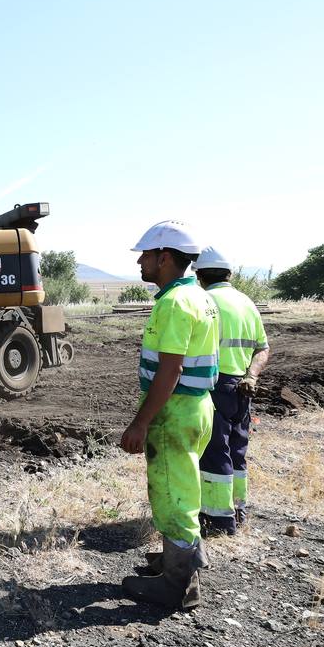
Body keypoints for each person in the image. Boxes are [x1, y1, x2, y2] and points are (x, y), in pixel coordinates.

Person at [120, 220, 219, 609]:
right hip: (198, 407)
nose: (140, 263)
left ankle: (178, 586)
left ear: (164, 258)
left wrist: (141, 422)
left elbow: (170, 369)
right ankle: (180, 560)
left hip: (174, 412)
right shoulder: (201, 297)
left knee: (172, 494)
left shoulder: (175, 303)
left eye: (145, 255)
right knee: (186, 486)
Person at [194, 247, 270, 533]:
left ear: (199, 275)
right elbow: (263, 349)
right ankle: (238, 510)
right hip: (242, 388)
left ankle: (218, 521)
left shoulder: (204, 300)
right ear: (230, 274)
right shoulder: (247, 302)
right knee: (237, 452)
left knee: (214, 453)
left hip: (214, 387)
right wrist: (251, 376)